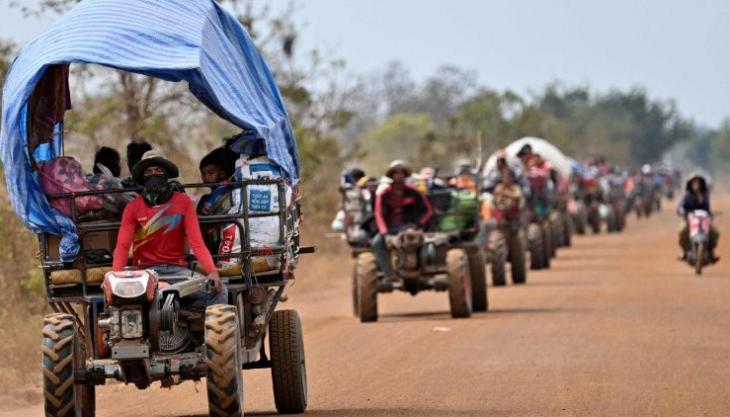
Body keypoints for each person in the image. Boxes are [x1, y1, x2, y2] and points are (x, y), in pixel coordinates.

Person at [112, 150, 226, 307]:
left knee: (220, 291)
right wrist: (115, 277)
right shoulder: (133, 207)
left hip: (178, 272)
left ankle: (201, 321)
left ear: (166, 174)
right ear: (142, 177)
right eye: (149, 172)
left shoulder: (183, 202)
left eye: (158, 171)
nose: (154, 175)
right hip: (146, 273)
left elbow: (197, 243)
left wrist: (212, 271)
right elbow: (122, 247)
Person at [372, 160, 433, 284]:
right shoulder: (383, 194)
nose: (399, 176)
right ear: (391, 175)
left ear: (405, 175)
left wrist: (419, 224)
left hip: (410, 227)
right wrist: (384, 232)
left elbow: (428, 210)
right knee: (377, 243)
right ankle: (389, 274)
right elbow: (378, 214)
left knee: (427, 243)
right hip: (390, 229)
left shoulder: (414, 192)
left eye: (401, 173)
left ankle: (424, 271)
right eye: (396, 173)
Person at [677, 174, 719, 262]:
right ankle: (684, 252)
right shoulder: (687, 195)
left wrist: (710, 213)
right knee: (682, 231)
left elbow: (707, 208)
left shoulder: (705, 195)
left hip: (704, 220)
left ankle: (711, 252)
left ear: (701, 185)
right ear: (691, 185)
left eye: (698, 183)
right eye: (694, 183)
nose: (696, 185)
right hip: (690, 220)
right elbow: (681, 205)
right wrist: (681, 210)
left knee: (715, 232)